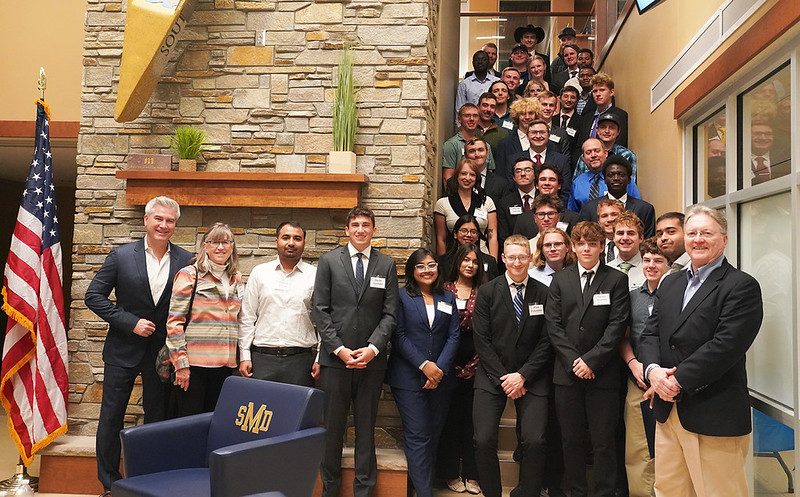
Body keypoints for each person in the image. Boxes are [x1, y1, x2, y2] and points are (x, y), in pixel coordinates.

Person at [639, 206, 763, 497]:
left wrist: (675, 381)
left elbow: (725, 346)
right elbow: (651, 333)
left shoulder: (740, 286)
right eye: (692, 233)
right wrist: (654, 372)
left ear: (724, 239)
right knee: (669, 490)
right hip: (669, 415)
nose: (698, 240)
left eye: (707, 233)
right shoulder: (671, 282)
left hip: (712, 412)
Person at [85, 196, 193, 495]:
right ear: (146, 220)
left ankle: (150, 480)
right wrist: (129, 322)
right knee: (111, 418)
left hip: (162, 355)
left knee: (157, 419)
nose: (163, 225)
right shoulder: (121, 256)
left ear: (175, 225)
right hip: (122, 351)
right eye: (158, 218)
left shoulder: (186, 260)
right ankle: (109, 484)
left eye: (170, 221)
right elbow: (93, 296)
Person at [313, 206, 399, 497]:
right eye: (355, 225)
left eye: (366, 225)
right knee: (332, 431)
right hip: (335, 362)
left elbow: (390, 315)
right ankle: (330, 490)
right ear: (347, 230)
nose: (361, 230)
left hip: (371, 363)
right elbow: (320, 310)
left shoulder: (386, 265)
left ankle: (364, 491)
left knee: (366, 431)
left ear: (374, 230)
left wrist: (373, 349)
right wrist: (339, 349)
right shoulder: (328, 261)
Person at [546, 221, 630, 497]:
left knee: (604, 440)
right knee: (571, 440)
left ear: (602, 247)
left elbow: (617, 326)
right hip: (567, 374)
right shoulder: (561, 279)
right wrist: (575, 362)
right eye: (580, 243)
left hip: (603, 374)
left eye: (592, 244)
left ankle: (605, 491)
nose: (586, 248)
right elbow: (554, 326)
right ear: (573, 246)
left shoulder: (616, 279)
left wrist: (591, 361)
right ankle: (577, 491)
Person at [472, 235, 552, 497]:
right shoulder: (486, 292)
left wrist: (523, 376)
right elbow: (481, 340)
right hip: (493, 374)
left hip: (532, 374)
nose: (517, 262)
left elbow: (547, 340)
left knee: (535, 440)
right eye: (512, 257)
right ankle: (492, 493)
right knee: (483, 439)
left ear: (530, 258)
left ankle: (527, 492)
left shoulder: (545, 293)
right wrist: (505, 378)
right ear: (503, 259)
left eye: (522, 256)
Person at [386, 248, 460, 497]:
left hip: (441, 378)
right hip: (407, 377)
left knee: (433, 435)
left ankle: (419, 489)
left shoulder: (448, 298)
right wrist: (423, 365)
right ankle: (425, 493)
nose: (426, 270)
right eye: (420, 266)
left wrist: (438, 369)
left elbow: (454, 335)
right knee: (418, 435)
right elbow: (398, 336)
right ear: (411, 271)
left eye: (431, 265)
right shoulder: (401, 297)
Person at [167, 222, 243, 416]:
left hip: (225, 367)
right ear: (204, 246)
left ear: (232, 246)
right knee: (189, 424)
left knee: (216, 421)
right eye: (214, 242)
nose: (220, 247)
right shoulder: (189, 275)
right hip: (194, 367)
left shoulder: (236, 278)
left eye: (225, 242)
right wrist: (181, 365)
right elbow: (174, 323)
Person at [237, 221, 318, 387]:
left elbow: (324, 319)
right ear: (276, 242)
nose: (291, 243)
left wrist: (319, 358)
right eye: (285, 237)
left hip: (301, 361)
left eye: (297, 238)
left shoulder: (315, 275)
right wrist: (245, 355)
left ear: (304, 243)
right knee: (261, 410)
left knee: (297, 411)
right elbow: (247, 316)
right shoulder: (260, 273)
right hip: (262, 359)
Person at [618, 237, 669, 497]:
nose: (651, 265)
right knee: (638, 449)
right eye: (647, 260)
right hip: (637, 381)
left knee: (668, 451)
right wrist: (634, 364)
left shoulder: (677, 294)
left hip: (671, 384)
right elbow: (623, 337)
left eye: (658, 260)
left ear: (669, 265)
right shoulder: (632, 297)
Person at [437, 242, 487, 495]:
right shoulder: (444, 290)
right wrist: (450, 365)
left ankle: (473, 474)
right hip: (446, 364)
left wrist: (473, 365)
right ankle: (448, 472)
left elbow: (491, 333)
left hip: (478, 365)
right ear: (457, 262)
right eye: (466, 260)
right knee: (450, 421)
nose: (470, 265)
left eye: (475, 261)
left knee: (473, 423)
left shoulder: (486, 292)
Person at [435, 159, 499, 260]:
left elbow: (492, 236)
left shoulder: (487, 201)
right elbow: (441, 238)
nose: (467, 178)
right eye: (463, 174)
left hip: (482, 257)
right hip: (454, 258)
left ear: (477, 178)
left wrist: (492, 262)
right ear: (457, 176)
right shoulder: (443, 203)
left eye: (472, 175)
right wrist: (443, 263)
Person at [579, 155, 654, 237]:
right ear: (604, 180)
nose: (616, 178)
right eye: (611, 175)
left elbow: (648, 244)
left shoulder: (645, 209)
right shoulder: (590, 207)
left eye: (621, 175)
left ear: (629, 179)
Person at [568, 139, 641, 213]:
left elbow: (637, 208)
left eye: (597, 151)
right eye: (588, 152)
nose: (593, 155)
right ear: (583, 158)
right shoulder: (578, 182)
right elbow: (572, 214)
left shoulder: (622, 180)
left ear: (606, 153)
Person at [514, 165, 580, 238]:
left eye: (552, 179)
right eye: (543, 179)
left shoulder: (574, 218)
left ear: (559, 185)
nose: (547, 183)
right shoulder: (523, 219)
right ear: (536, 185)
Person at [573, 112, 638, 180]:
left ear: (618, 132)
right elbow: (577, 184)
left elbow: (630, 186)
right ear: (597, 131)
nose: (607, 131)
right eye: (603, 127)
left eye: (612, 128)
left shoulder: (627, 155)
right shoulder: (586, 156)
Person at [443, 104, 496, 186]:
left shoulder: (486, 146)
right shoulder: (451, 144)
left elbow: (490, 176)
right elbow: (448, 178)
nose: (471, 119)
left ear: (478, 119)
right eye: (467, 115)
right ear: (459, 119)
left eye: (475, 116)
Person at [494, 97, 541, 188]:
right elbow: (501, 174)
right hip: (512, 193)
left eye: (531, 113)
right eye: (522, 114)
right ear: (517, 116)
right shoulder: (505, 144)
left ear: (536, 115)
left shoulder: (545, 143)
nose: (527, 117)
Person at [438, 214, 500, 282]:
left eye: (473, 232)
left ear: (477, 237)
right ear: (455, 234)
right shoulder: (443, 262)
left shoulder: (489, 261)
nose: (468, 235)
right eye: (464, 231)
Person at [576, 72, 628, 148]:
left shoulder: (620, 115)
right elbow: (579, 146)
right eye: (595, 91)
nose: (598, 94)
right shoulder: (586, 118)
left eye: (602, 90)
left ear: (611, 92)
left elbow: (620, 144)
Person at [526, 119, 573, 203]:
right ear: (527, 135)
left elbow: (566, 192)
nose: (538, 136)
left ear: (548, 135)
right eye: (534, 132)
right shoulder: (516, 160)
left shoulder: (562, 160)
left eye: (542, 132)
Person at [497, 157, 536, 246]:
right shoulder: (505, 203)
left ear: (535, 175)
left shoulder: (544, 200)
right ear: (514, 177)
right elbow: (504, 236)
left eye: (527, 170)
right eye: (518, 171)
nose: (522, 174)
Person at [607, 211, 647, 292]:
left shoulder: (650, 269)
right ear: (614, 238)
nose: (625, 238)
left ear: (641, 238)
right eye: (620, 233)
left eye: (631, 233)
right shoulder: (605, 270)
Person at [456, 50, 499, 117]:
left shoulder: (496, 82)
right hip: (471, 122)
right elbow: (459, 109)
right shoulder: (464, 84)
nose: (480, 62)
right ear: (472, 63)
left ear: (488, 62)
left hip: (492, 122)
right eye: (477, 60)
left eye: (484, 60)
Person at [464, 137, 507, 205]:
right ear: (466, 155)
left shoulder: (501, 184)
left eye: (480, 150)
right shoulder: (454, 183)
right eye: (472, 151)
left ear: (487, 152)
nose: (477, 155)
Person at [476, 93, 508, 164]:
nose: (488, 109)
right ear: (478, 107)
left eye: (492, 107)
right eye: (485, 105)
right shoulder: (468, 130)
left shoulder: (503, 134)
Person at [596, 198, 625, 263]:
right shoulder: (594, 246)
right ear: (599, 221)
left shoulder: (631, 244)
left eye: (614, 214)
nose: (610, 219)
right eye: (604, 216)